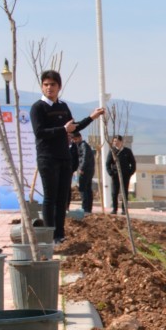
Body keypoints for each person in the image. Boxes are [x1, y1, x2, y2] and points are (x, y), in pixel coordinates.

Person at [28, 69, 103, 243]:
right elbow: (40, 132)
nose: (49, 88)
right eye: (46, 84)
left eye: (53, 84)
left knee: (63, 198)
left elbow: (73, 127)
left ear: (59, 87)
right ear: (41, 86)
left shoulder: (63, 107)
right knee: (50, 197)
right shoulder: (38, 107)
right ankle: (48, 235)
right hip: (47, 158)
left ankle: (60, 234)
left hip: (64, 158)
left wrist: (91, 117)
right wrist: (63, 130)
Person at [105, 134, 135, 214]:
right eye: (114, 141)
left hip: (125, 175)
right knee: (114, 193)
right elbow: (107, 164)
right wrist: (111, 173)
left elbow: (133, 163)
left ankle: (124, 209)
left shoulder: (127, 151)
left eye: (117, 141)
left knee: (124, 192)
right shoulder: (112, 151)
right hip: (115, 175)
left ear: (121, 142)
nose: (116, 143)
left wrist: (130, 173)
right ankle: (114, 209)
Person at [69, 131, 95, 214]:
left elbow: (84, 158)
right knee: (87, 189)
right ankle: (88, 208)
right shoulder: (80, 145)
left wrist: (82, 168)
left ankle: (85, 208)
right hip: (88, 169)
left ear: (80, 137)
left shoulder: (83, 146)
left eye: (75, 139)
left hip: (85, 170)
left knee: (83, 189)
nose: (74, 141)